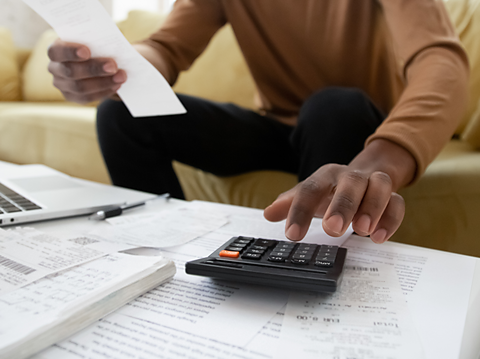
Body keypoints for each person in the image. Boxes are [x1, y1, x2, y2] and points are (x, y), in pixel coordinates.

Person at [46, 0, 468, 244]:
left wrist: (378, 160)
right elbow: (166, 48)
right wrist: (113, 68)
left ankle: (309, 264)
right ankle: (161, 250)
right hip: (275, 130)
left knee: (332, 105)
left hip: (353, 133)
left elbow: (440, 59)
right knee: (122, 114)